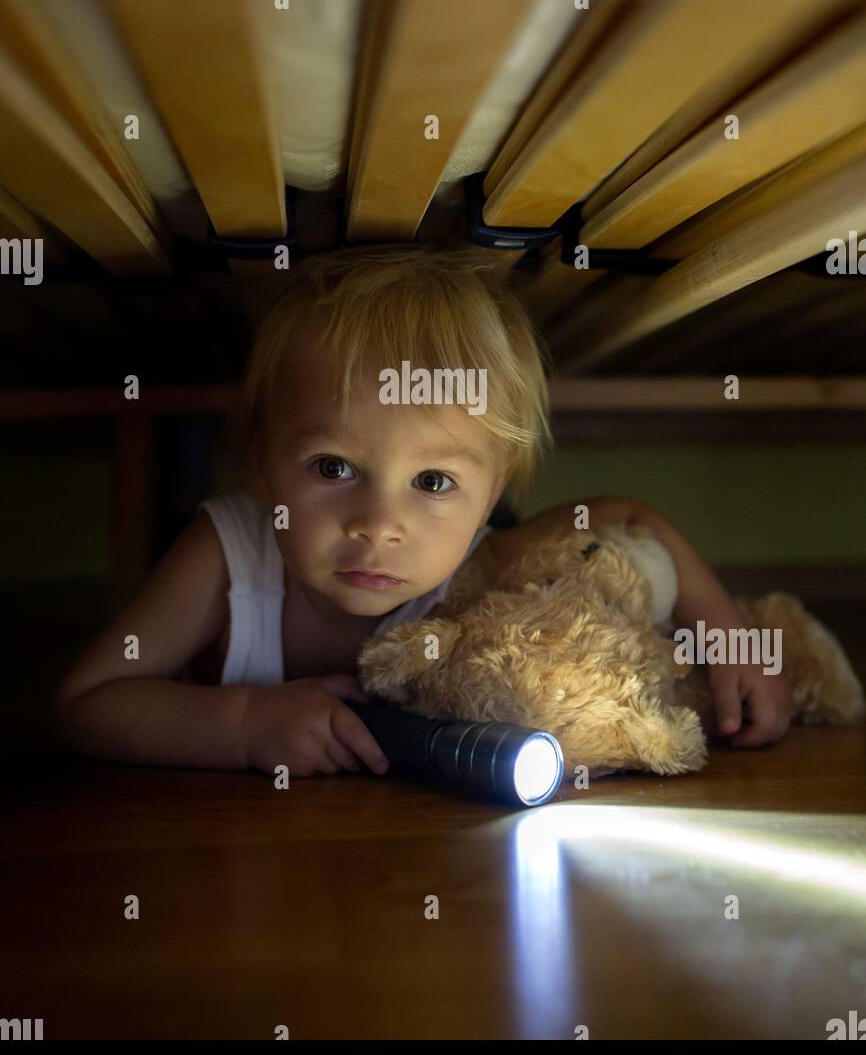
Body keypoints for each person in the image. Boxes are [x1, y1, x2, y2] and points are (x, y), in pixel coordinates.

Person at [53, 244, 792, 777]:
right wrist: (244, 724)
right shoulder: (227, 553)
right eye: (334, 467)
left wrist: (729, 637)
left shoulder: (481, 561)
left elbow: (631, 519)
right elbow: (88, 702)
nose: (379, 522)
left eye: (434, 482)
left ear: (490, 496)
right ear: (261, 462)